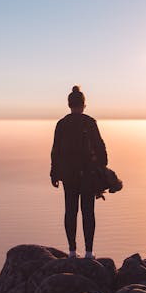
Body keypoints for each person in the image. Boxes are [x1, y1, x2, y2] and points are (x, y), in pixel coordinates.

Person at [50, 85, 108, 258]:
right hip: (88, 176)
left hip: (68, 176)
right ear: (83, 104)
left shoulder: (62, 124)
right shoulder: (90, 123)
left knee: (70, 211)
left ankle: (72, 251)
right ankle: (89, 253)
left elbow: (56, 151)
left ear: (69, 104)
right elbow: (101, 148)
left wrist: (54, 173)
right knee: (88, 212)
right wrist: (102, 171)